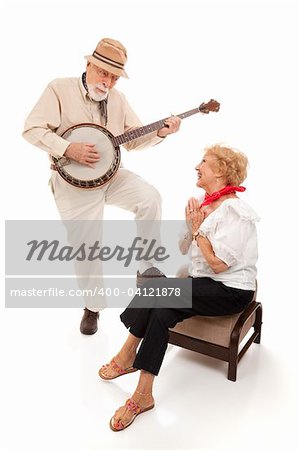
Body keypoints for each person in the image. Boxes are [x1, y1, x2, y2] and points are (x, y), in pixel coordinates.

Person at [22, 38, 181, 335]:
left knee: (150, 197)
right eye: (103, 73)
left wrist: (160, 132)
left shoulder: (118, 100)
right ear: (88, 65)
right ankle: (93, 307)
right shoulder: (59, 89)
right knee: (86, 248)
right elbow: (31, 129)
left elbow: (132, 138)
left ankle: (147, 271)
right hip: (73, 184)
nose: (107, 81)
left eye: (114, 77)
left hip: (111, 176)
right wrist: (67, 149)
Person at [98, 144, 259, 431]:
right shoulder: (202, 202)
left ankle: (126, 356)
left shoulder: (235, 211)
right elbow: (185, 248)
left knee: (154, 290)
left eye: (204, 162)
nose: (197, 167)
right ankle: (143, 394)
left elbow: (219, 265)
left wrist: (198, 230)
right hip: (202, 283)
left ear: (221, 171)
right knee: (161, 310)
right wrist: (190, 226)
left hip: (230, 290)